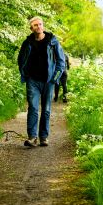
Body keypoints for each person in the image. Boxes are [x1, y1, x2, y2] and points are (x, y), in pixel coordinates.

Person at [18, 16, 66, 147]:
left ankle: (43, 137)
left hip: (48, 81)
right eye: (35, 25)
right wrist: (25, 75)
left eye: (40, 24)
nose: (38, 27)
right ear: (31, 28)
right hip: (32, 81)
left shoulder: (53, 41)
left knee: (46, 110)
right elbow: (21, 60)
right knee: (33, 108)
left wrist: (54, 78)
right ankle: (32, 137)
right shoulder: (27, 43)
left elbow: (61, 63)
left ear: (43, 26)